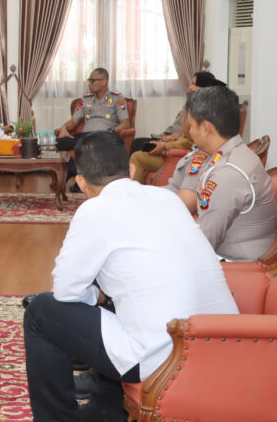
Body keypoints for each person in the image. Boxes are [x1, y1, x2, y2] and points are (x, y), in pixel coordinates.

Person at [23, 131, 238, 422]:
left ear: (82, 182)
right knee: (119, 302)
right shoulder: (168, 199)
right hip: (221, 343)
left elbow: (65, 291)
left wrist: (96, 295)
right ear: (132, 168)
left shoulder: (94, 210)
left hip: (163, 360)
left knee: (41, 311)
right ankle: (106, 409)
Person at [186, 85, 277, 261]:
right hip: (237, 251)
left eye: (191, 125)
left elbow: (203, 243)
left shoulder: (227, 174)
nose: (189, 132)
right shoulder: (236, 152)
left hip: (237, 264)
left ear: (206, 127)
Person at [56, 68, 129, 192]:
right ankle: (74, 172)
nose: (89, 84)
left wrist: (112, 131)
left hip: (104, 137)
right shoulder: (86, 99)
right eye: (89, 81)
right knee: (58, 143)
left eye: (92, 81)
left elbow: (125, 123)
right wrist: (64, 128)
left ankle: (80, 179)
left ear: (104, 81)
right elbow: (73, 122)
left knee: (90, 146)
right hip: (84, 137)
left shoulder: (117, 98)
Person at [130, 71, 224, 156]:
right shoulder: (189, 104)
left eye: (193, 84)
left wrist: (169, 138)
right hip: (169, 137)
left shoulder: (203, 110)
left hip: (175, 141)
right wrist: (165, 133)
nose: (189, 87)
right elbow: (176, 125)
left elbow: (188, 136)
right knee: (137, 143)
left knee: (139, 146)